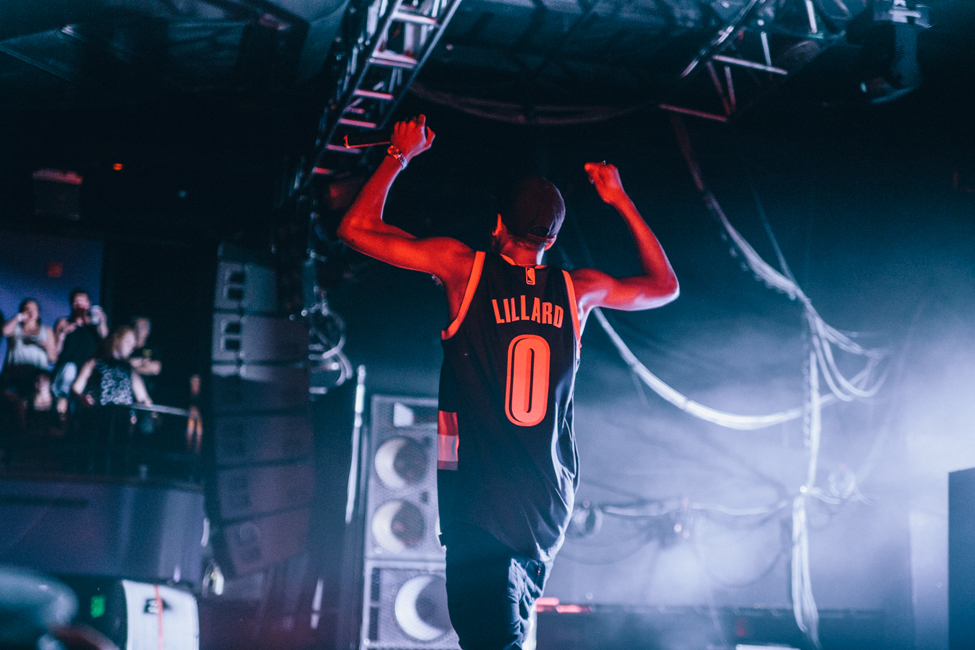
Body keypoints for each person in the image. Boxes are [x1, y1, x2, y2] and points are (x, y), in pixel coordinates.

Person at [337, 115, 679, 650]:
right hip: (547, 509)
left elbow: (355, 229)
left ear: (498, 225)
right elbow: (664, 286)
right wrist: (620, 199)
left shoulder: (463, 269)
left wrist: (399, 154)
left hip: (482, 509)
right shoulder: (578, 291)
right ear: (552, 239)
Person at [71, 326, 152, 408]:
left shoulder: (129, 369)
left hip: (123, 414)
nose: (130, 348)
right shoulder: (94, 363)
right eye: (128, 342)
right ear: (117, 340)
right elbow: (77, 388)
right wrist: (83, 397)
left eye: (132, 345)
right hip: (99, 412)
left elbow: (143, 397)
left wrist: (150, 409)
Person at [52, 289, 108, 398]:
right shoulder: (64, 322)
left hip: (88, 372)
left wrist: (102, 322)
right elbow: (55, 353)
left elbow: (107, 343)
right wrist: (62, 334)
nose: (79, 306)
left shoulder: (95, 326)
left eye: (82, 302)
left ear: (88, 304)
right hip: (67, 371)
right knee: (69, 371)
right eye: (76, 302)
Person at [2, 299, 59, 396]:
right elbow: (5, 332)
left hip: (37, 376)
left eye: (33, 309)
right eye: (27, 308)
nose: (30, 311)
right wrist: (19, 317)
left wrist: (46, 347)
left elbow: (53, 358)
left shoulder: (46, 331)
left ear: (38, 313)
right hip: (15, 373)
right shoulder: (15, 328)